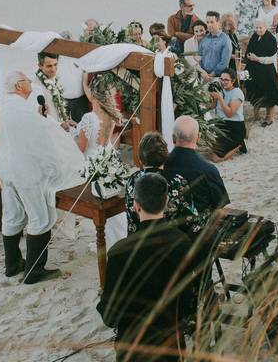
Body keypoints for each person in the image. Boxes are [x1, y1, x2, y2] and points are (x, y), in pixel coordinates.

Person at [0, 71, 85, 284]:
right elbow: (43, 132)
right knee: (40, 217)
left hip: (6, 168)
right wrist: (58, 129)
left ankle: (12, 265)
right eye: (27, 80)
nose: (30, 82)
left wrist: (46, 120)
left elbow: (33, 127)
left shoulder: (8, 106)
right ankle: (34, 271)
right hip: (24, 171)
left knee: (13, 215)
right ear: (18, 86)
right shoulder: (22, 110)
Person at [98, 172, 195, 361]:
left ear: (136, 205)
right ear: (166, 201)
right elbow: (185, 301)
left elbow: (110, 315)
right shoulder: (182, 243)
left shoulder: (119, 252)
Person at [72, 104, 128, 246]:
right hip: (108, 158)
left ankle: (109, 238)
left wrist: (73, 134)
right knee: (111, 198)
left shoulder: (88, 117)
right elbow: (103, 142)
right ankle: (121, 235)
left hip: (93, 161)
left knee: (100, 199)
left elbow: (82, 147)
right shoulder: (110, 113)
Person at [124, 132, 198, 236]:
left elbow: (131, 216)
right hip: (172, 243)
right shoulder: (177, 181)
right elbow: (190, 219)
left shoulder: (132, 180)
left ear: (140, 158)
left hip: (137, 241)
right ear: (165, 157)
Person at [164, 116, 230, 228]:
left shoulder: (161, 164)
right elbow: (219, 211)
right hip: (197, 233)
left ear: (173, 138)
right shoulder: (208, 169)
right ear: (198, 138)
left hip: (165, 229)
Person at [244, 18, 278, 126]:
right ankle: (256, 115)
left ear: (266, 27)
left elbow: (271, 58)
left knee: (269, 92)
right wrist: (248, 56)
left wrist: (258, 59)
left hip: (267, 70)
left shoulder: (271, 39)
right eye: (256, 28)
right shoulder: (254, 36)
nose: (258, 30)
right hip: (253, 69)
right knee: (252, 88)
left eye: (260, 28)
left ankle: (269, 117)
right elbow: (248, 50)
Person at [209, 69, 247, 161]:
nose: (223, 82)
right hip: (221, 124)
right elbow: (212, 107)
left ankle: (237, 145)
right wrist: (213, 98)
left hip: (234, 126)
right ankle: (237, 145)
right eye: (221, 79)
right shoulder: (221, 90)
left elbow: (230, 114)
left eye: (226, 80)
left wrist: (220, 99)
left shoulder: (237, 93)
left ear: (233, 81)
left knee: (215, 156)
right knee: (213, 153)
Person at [32, 52, 74, 128]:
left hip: (63, 127)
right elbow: (40, 114)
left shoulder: (56, 79)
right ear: (40, 66)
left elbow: (60, 105)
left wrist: (67, 120)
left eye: (55, 65)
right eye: (49, 66)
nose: (53, 69)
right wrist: (60, 125)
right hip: (51, 128)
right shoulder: (36, 86)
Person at [199, 11, 232, 80]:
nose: (209, 25)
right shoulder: (204, 39)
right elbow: (200, 57)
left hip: (219, 78)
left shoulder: (225, 40)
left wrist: (213, 74)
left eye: (212, 22)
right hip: (203, 76)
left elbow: (224, 62)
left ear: (218, 23)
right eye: (207, 22)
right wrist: (203, 72)